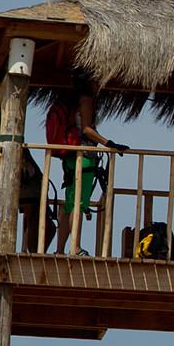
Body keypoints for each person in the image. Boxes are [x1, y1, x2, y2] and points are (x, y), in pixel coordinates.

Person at [45, 76, 126, 256]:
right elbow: (87, 129)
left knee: (69, 205)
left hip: (70, 158)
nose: (99, 84)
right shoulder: (86, 100)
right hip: (84, 156)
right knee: (79, 204)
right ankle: (75, 247)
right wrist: (110, 143)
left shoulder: (70, 101)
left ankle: (60, 250)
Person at [0, 126, 54, 252]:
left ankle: (26, 248)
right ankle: (28, 249)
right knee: (32, 219)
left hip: (21, 187)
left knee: (30, 219)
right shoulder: (14, 144)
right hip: (28, 187)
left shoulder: (1, 143)